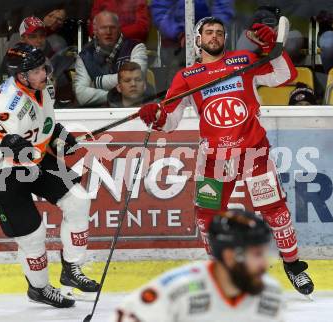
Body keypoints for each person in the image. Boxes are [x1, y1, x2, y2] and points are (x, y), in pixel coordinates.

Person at [138, 17, 314, 296]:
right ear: (197, 40)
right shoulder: (186, 77)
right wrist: (155, 116)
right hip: (214, 159)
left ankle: (293, 266)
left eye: (219, 32)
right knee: (207, 216)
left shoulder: (243, 61)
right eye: (208, 32)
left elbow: (285, 76)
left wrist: (273, 48)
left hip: (253, 151)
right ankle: (220, 270)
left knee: (275, 211)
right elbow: (168, 120)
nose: (214, 37)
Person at [0, 43, 99, 308]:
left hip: (35, 159)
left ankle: (71, 269)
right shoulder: (8, 101)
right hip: (1, 170)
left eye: (44, 66)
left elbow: (43, 121)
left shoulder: (43, 86)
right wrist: (8, 142)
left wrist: (58, 135)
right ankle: (39, 288)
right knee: (32, 235)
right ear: (21, 76)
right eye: (38, 69)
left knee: (78, 199)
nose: (45, 73)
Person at [111, 209, 284, 322]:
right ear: (230, 256)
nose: (264, 264)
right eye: (257, 255)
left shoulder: (271, 294)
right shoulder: (175, 290)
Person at [73, 10, 148, 107]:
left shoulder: (136, 47)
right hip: (99, 114)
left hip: (134, 108)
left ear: (119, 29)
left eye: (112, 27)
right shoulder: (84, 55)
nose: (108, 32)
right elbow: (82, 95)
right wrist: (116, 96)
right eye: (103, 28)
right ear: (95, 30)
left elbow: (138, 77)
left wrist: (98, 83)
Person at [150, 0, 234, 82]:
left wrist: (210, 33)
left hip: (210, 44)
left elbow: (223, 10)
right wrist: (179, 33)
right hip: (174, 46)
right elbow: (160, 12)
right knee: (176, 86)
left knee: (214, 83)